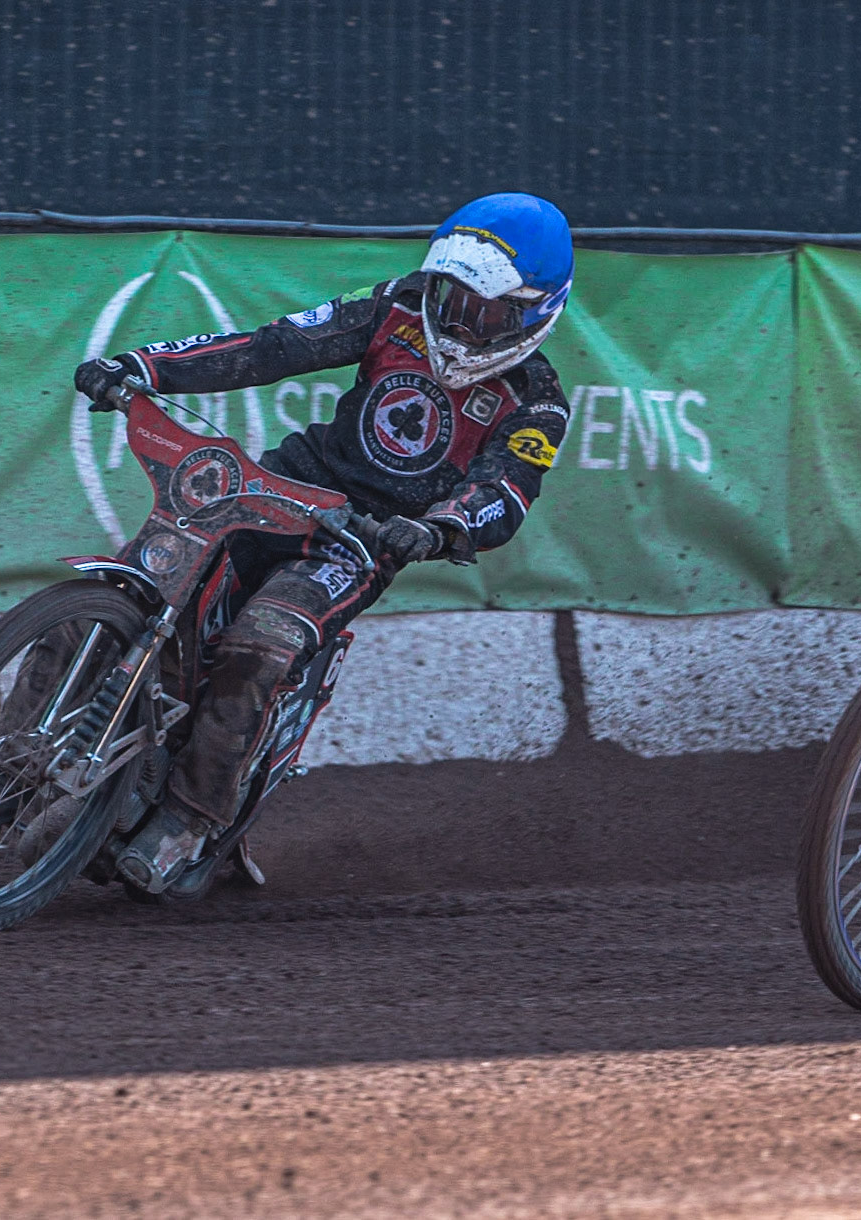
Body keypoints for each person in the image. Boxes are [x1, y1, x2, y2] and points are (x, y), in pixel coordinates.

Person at [73, 192, 574, 893]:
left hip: (364, 541)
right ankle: (5, 766)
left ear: (531, 311)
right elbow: (273, 346)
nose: (455, 317)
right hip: (285, 486)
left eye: (481, 308)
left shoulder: (536, 402)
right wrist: (147, 368)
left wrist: (437, 529)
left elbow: (506, 493)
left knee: (262, 643)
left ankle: (190, 818)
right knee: (127, 585)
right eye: (448, 294)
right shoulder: (394, 307)